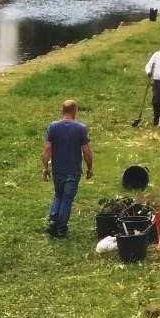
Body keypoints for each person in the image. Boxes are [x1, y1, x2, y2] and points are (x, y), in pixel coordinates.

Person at [41, 99, 92, 238]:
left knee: (58, 194)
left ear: (62, 111)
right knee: (67, 199)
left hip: (58, 169)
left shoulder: (53, 127)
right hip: (73, 170)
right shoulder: (81, 128)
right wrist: (89, 168)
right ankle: (61, 228)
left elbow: (46, 149)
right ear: (75, 111)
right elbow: (86, 152)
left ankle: (53, 221)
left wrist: (45, 168)